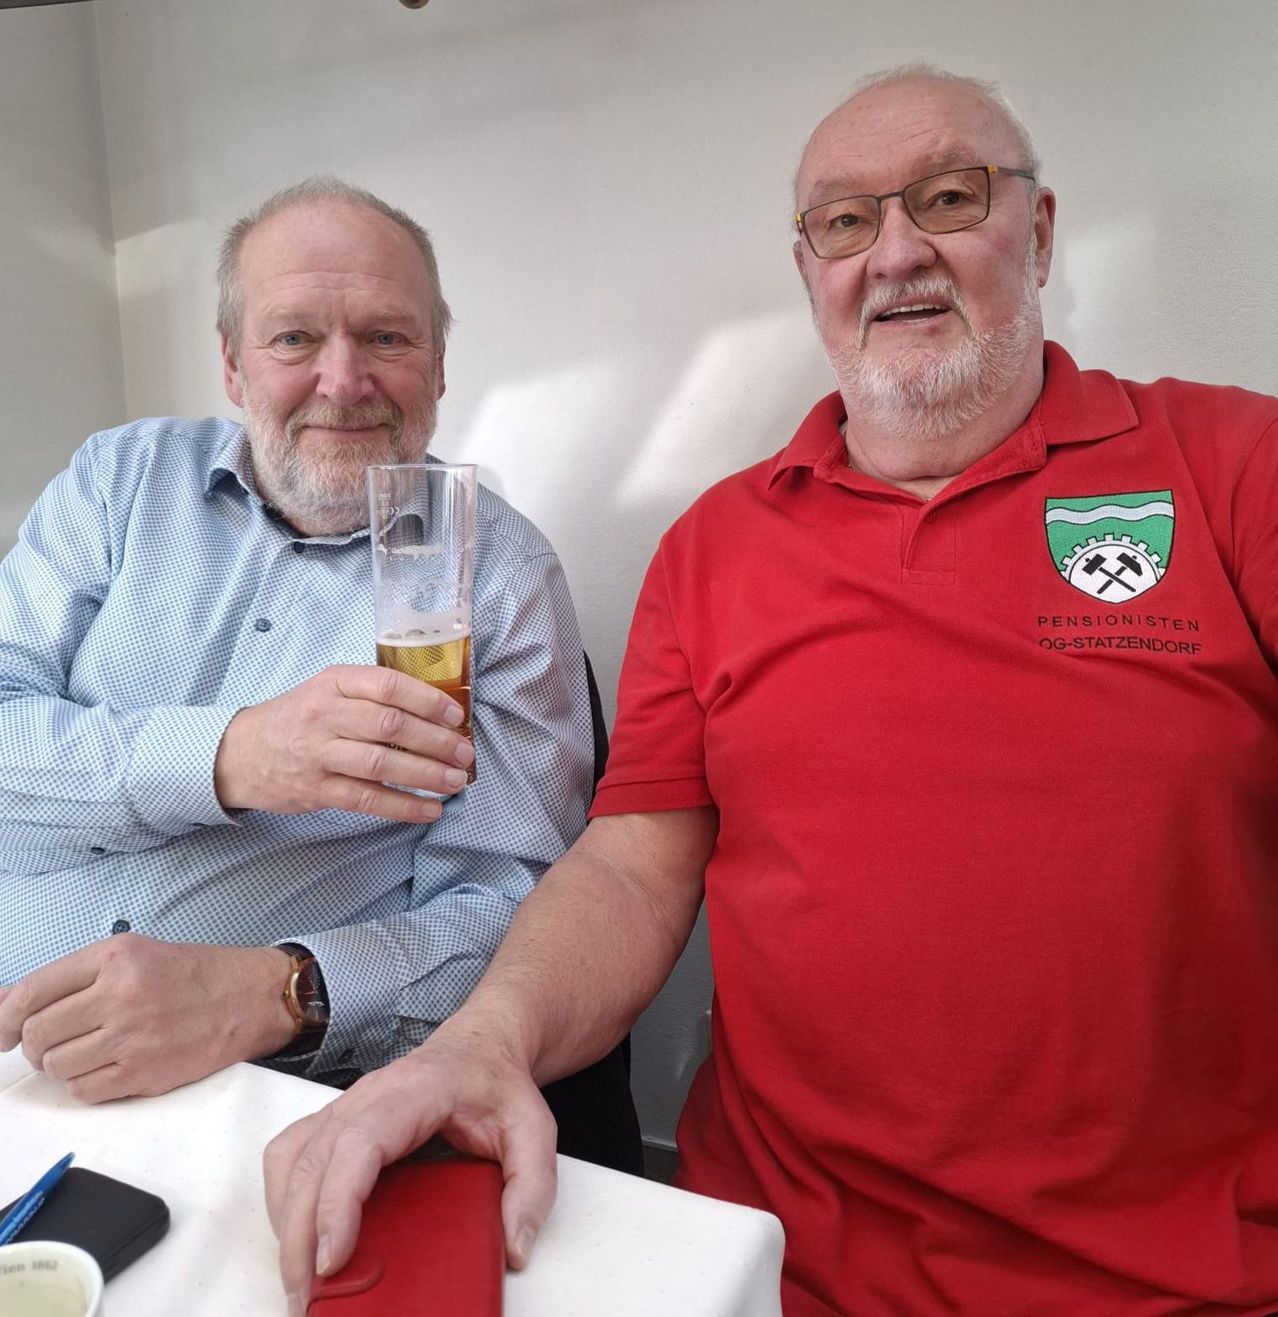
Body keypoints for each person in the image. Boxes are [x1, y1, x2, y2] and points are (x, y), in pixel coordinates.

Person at [264, 70, 1278, 1317]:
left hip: (1192, 1275)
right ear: (810, 271)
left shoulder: (1233, 467)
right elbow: (633, 869)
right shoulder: (716, 546)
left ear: (1042, 230)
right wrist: (486, 1042)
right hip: (776, 1265)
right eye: (846, 222)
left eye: (948, 198)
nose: (895, 253)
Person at [0, 179, 597, 1106]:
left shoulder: (499, 578)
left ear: (439, 366)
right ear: (233, 364)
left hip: (241, 1095)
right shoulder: (116, 482)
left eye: (387, 337)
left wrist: (282, 991)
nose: (344, 382)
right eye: (294, 338)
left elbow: (511, 910)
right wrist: (227, 755)